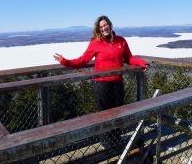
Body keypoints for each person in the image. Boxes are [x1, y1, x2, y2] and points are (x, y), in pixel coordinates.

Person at [53, 15, 149, 148]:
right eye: (101, 26)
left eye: (106, 25)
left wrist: (142, 63)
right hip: (102, 84)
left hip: (117, 83)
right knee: (104, 114)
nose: (104, 28)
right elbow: (83, 60)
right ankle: (106, 142)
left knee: (118, 113)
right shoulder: (95, 43)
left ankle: (116, 140)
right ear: (98, 29)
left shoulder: (121, 41)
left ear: (110, 25)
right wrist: (65, 62)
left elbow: (129, 58)